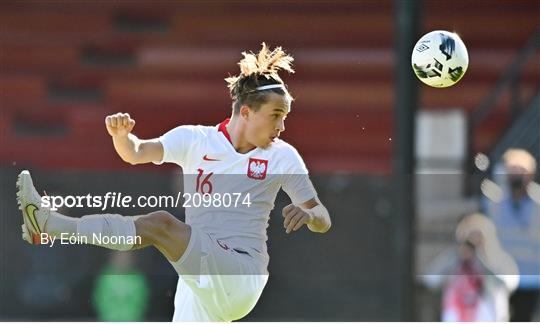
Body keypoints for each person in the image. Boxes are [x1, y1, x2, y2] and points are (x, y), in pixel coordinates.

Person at [16, 43, 332, 321]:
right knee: (167, 233)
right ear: (247, 113)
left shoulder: (283, 156)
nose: (282, 125)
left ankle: (48, 225)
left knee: (162, 224)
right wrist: (121, 137)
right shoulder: (194, 139)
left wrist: (310, 215)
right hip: (199, 276)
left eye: (285, 116)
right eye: (276, 115)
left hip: (241, 274)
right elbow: (135, 153)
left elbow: (323, 218)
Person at [421, 213, 519, 321]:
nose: (474, 242)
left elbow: (507, 283)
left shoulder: (500, 259)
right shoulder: (453, 259)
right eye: (469, 237)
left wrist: (482, 258)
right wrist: (455, 256)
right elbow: (429, 280)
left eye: (478, 236)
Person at [483, 148, 540, 321]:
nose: (517, 176)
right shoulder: (492, 202)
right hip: (501, 278)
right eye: (513, 170)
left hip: (530, 279)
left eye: (521, 171)